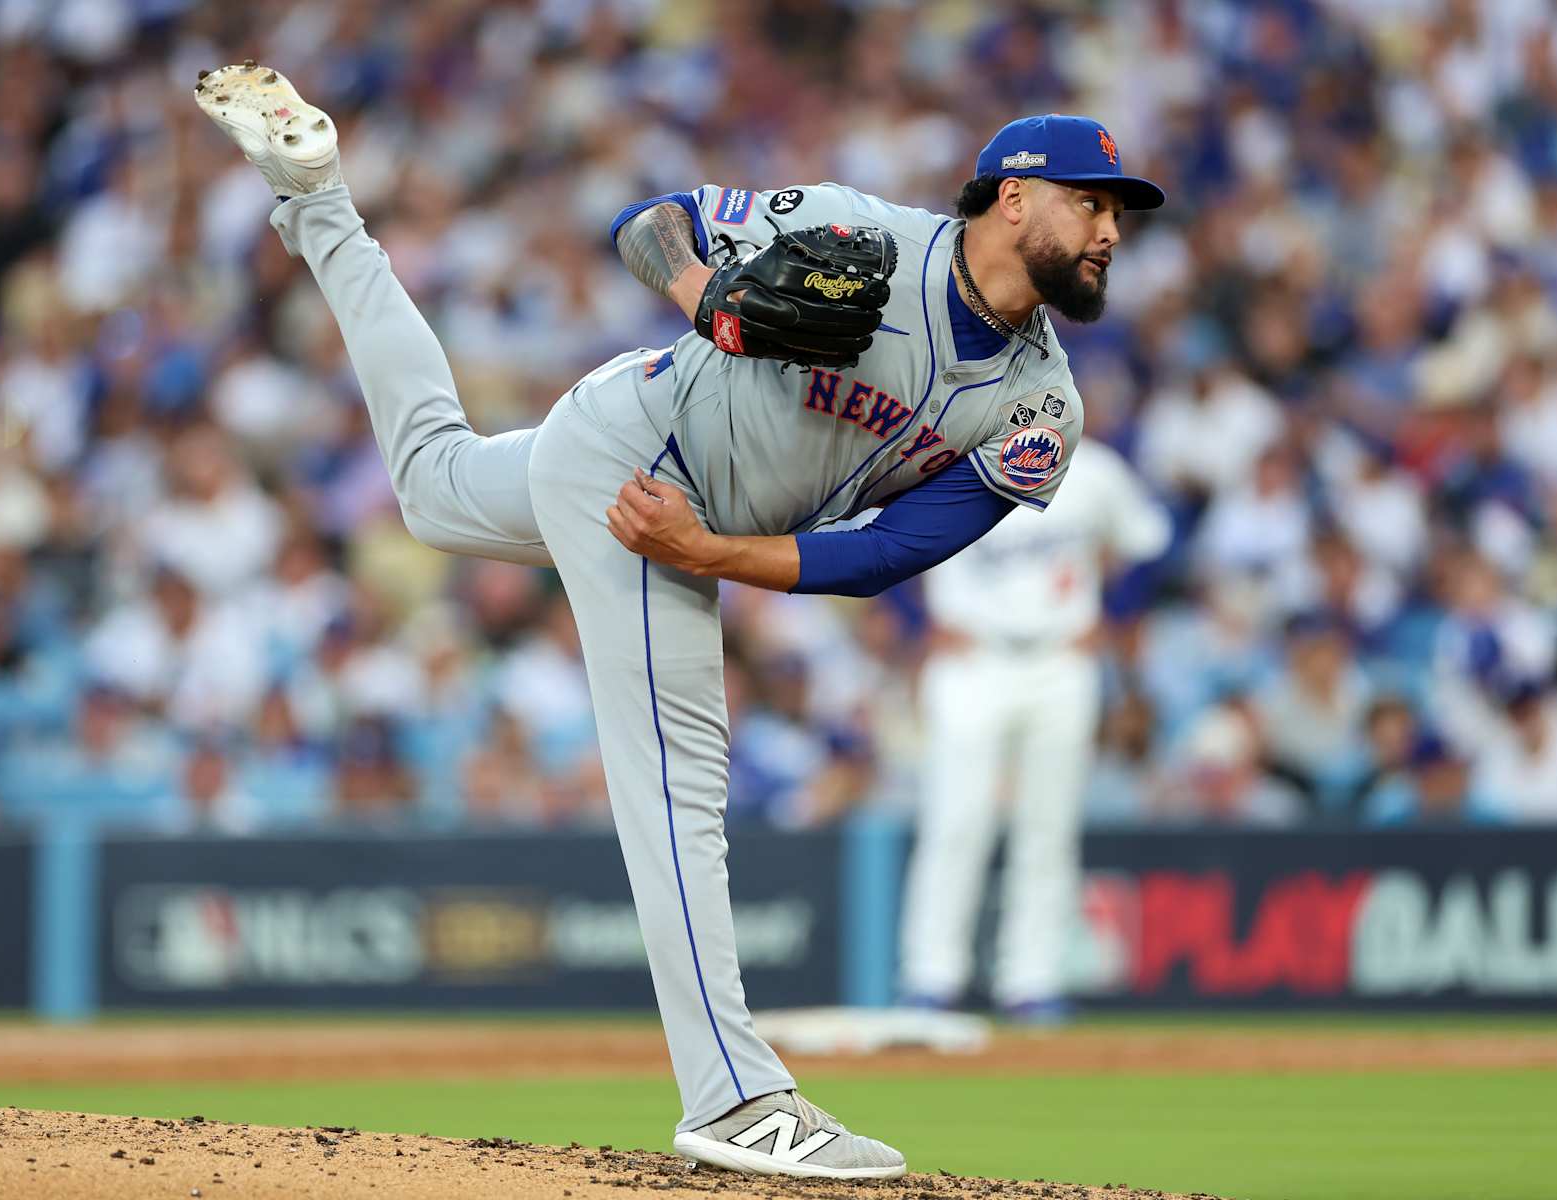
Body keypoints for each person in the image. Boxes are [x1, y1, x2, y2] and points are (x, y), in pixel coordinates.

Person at [194, 63, 1161, 1180]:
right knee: (677, 781)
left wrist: (713, 557)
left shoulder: (1043, 408)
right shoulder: (867, 233)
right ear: (1011, 197)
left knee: (431, 483)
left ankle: (315, 199)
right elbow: (652, 222)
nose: (1108, 232)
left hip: (664, 503)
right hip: (645, 459)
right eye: (1091, 202)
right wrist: (708, 294)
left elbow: (890, 556)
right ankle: (735, 1097)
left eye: (1116, 213)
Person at [897, 433, 1168, 1020]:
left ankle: (1032, 980)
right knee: (956, 819)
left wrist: (1114, 619)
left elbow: (1149, 546)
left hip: (1060, 656)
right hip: (971, 657)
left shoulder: (1092, 467)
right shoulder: (945, 454)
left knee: (1048, 825)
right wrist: (916, 617)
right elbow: (875, 535)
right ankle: (931, 978)